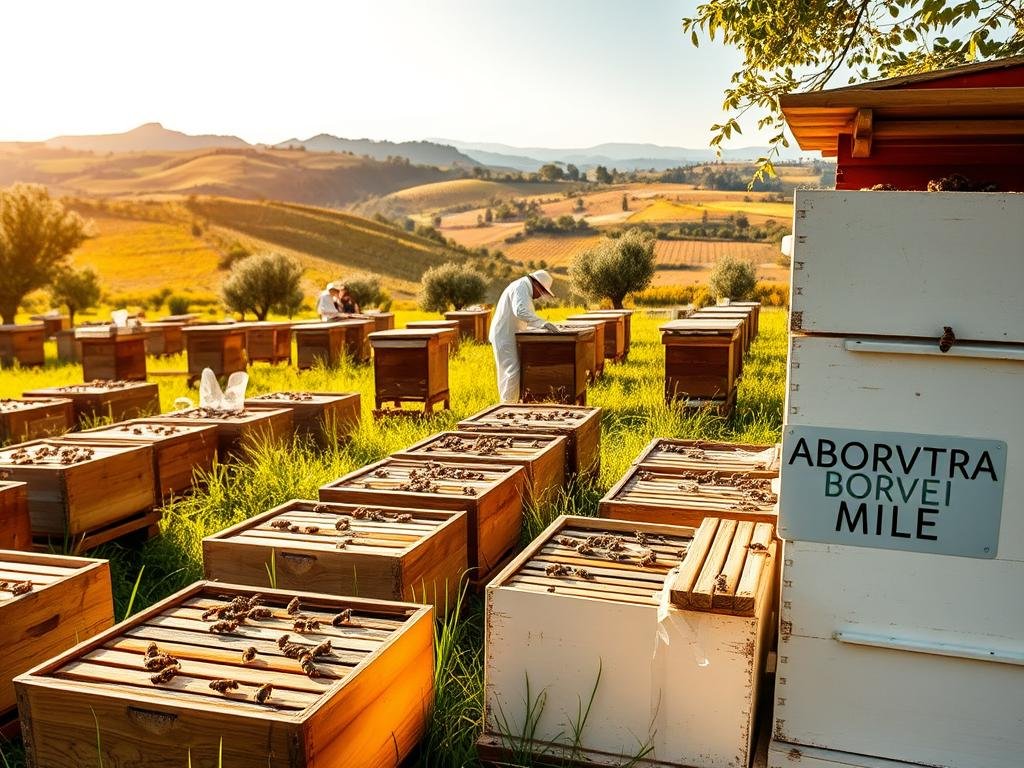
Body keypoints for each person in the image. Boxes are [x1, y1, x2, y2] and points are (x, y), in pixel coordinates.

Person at [488, 269, 559, 403]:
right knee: (512, 372)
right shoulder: (521, 287)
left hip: (507, 334)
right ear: (537, 284)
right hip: (504, 336)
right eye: (542, 292)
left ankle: (510, 404)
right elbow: (520, 311)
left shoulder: (522, 287)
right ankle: (508, 407)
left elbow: (523, 317)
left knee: (509, 372)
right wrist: (543, 324)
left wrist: (541, 326)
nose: (540, 296)